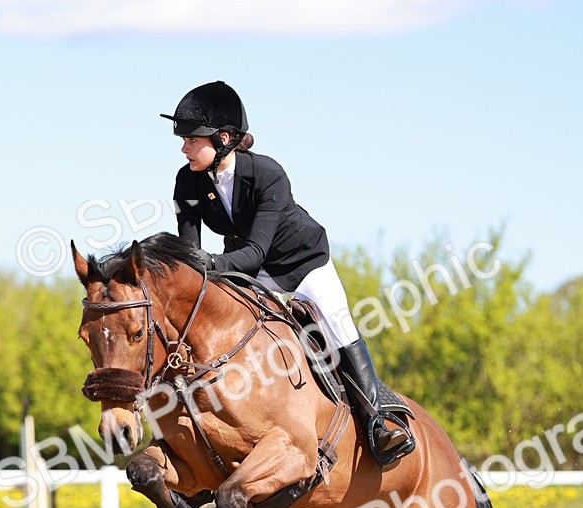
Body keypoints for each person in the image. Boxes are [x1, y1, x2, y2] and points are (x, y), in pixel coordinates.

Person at [161, 80, 415, 468]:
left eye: (192, 139)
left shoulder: (267, 174)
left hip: (301, 264)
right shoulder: (188, 182)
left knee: (337, 324)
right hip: (248, 271)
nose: (184, 147)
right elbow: (192, 251)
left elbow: (257, 251)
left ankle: (379, 419)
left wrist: (209, 265)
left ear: (224, 138)